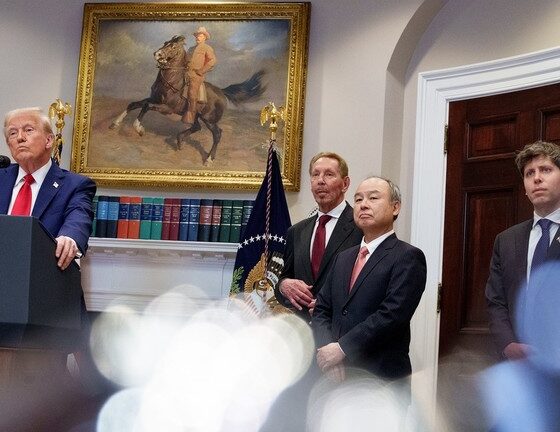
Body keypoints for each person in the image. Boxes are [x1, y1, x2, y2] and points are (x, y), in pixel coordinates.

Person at [312, 176, 426, 389]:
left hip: (379, 379)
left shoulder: (408, 256)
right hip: (334, 379)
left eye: (373, 198)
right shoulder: (343, 257)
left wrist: (342, 349)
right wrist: (327, 351)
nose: (363, 204)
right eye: (358, 199)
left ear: (395, 207)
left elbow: (392, 315)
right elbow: (322, 310)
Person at [485, 140, 560, 361]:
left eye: (546, 170)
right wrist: (508, 344)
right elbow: (496, 300)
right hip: (516, 365)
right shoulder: (506, 239)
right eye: (529, 173)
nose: (536, 178)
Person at [1, 107, 96, 269]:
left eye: (28, 130)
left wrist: (69, 238)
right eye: (12, 133)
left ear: (49, 140)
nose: (20, 138)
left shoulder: (75, 185)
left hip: (44, 281)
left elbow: (78, 217)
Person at [274, 152, 362, 318]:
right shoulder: (296, 232)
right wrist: (283, 285)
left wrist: (330, 305)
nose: (321, 180)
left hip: (342, 333)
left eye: (329, 174)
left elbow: (369, 284)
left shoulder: (361, 227)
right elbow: (285, 278)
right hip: (304, 332)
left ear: (345, 183)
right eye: (315, 174)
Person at [182, 26, 217, 128]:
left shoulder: (207, 48)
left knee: (192, 93)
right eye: (197, 35)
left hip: (196, 75)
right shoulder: (191, 48)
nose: (198, 37)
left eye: (200, 36)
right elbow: (186, 61)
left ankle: (190, 115)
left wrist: (201, 71)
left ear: (204, 37)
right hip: (186, 73)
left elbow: (212, 61)